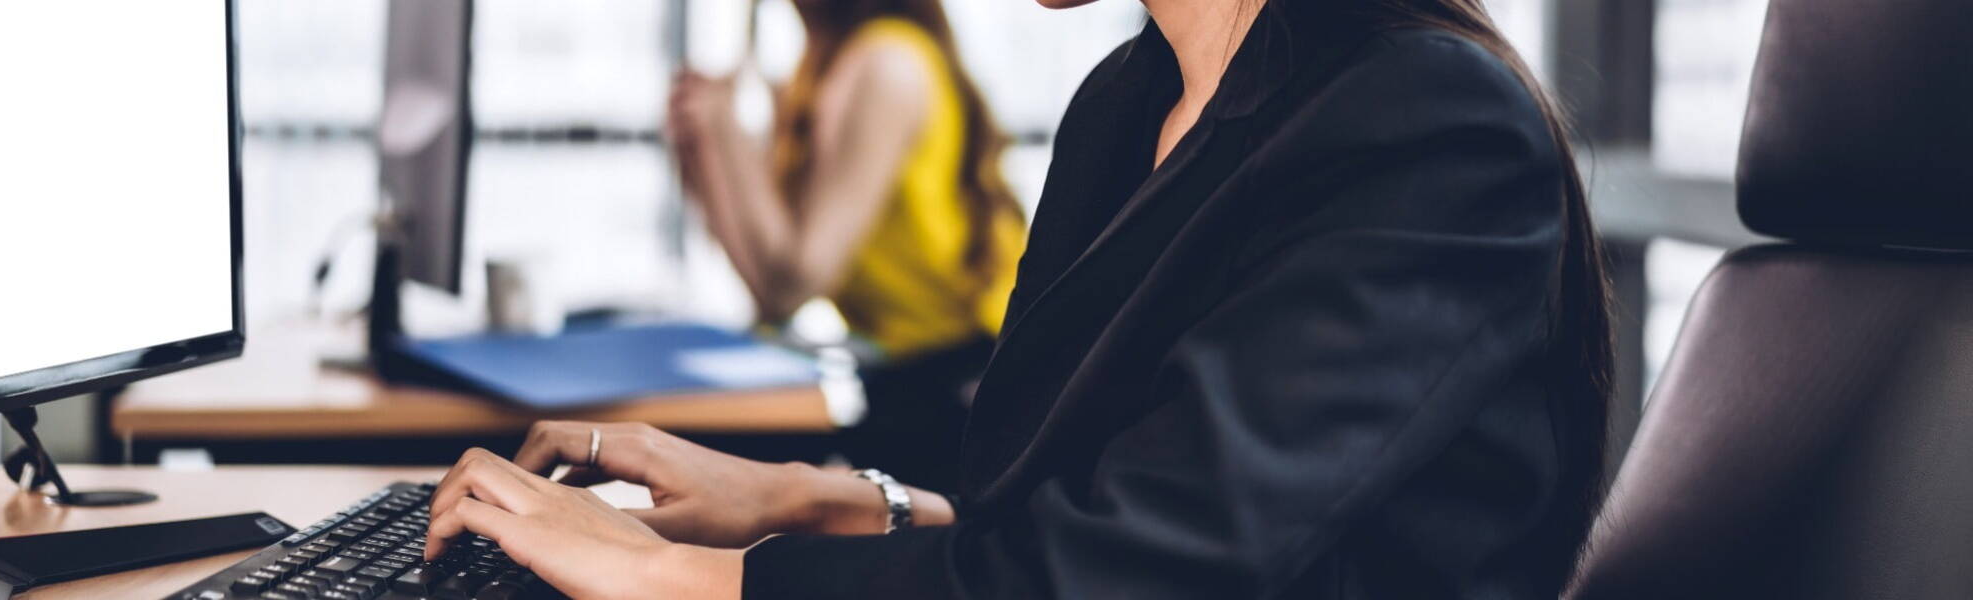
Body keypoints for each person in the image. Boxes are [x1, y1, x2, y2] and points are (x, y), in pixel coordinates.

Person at [424, 0, 1616, 597]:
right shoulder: (1122, 107)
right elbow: (1056, 523)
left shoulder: (1428, 120)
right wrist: (810, 502)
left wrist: (701, 577)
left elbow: (1143, 575)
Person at [665, 0, 1026, 489]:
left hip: (967, 385)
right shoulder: (830, 63)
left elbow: (795, 279)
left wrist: (726, 133)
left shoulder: (885, 61)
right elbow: (770, 292)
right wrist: (709, 148)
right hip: (908, 377)